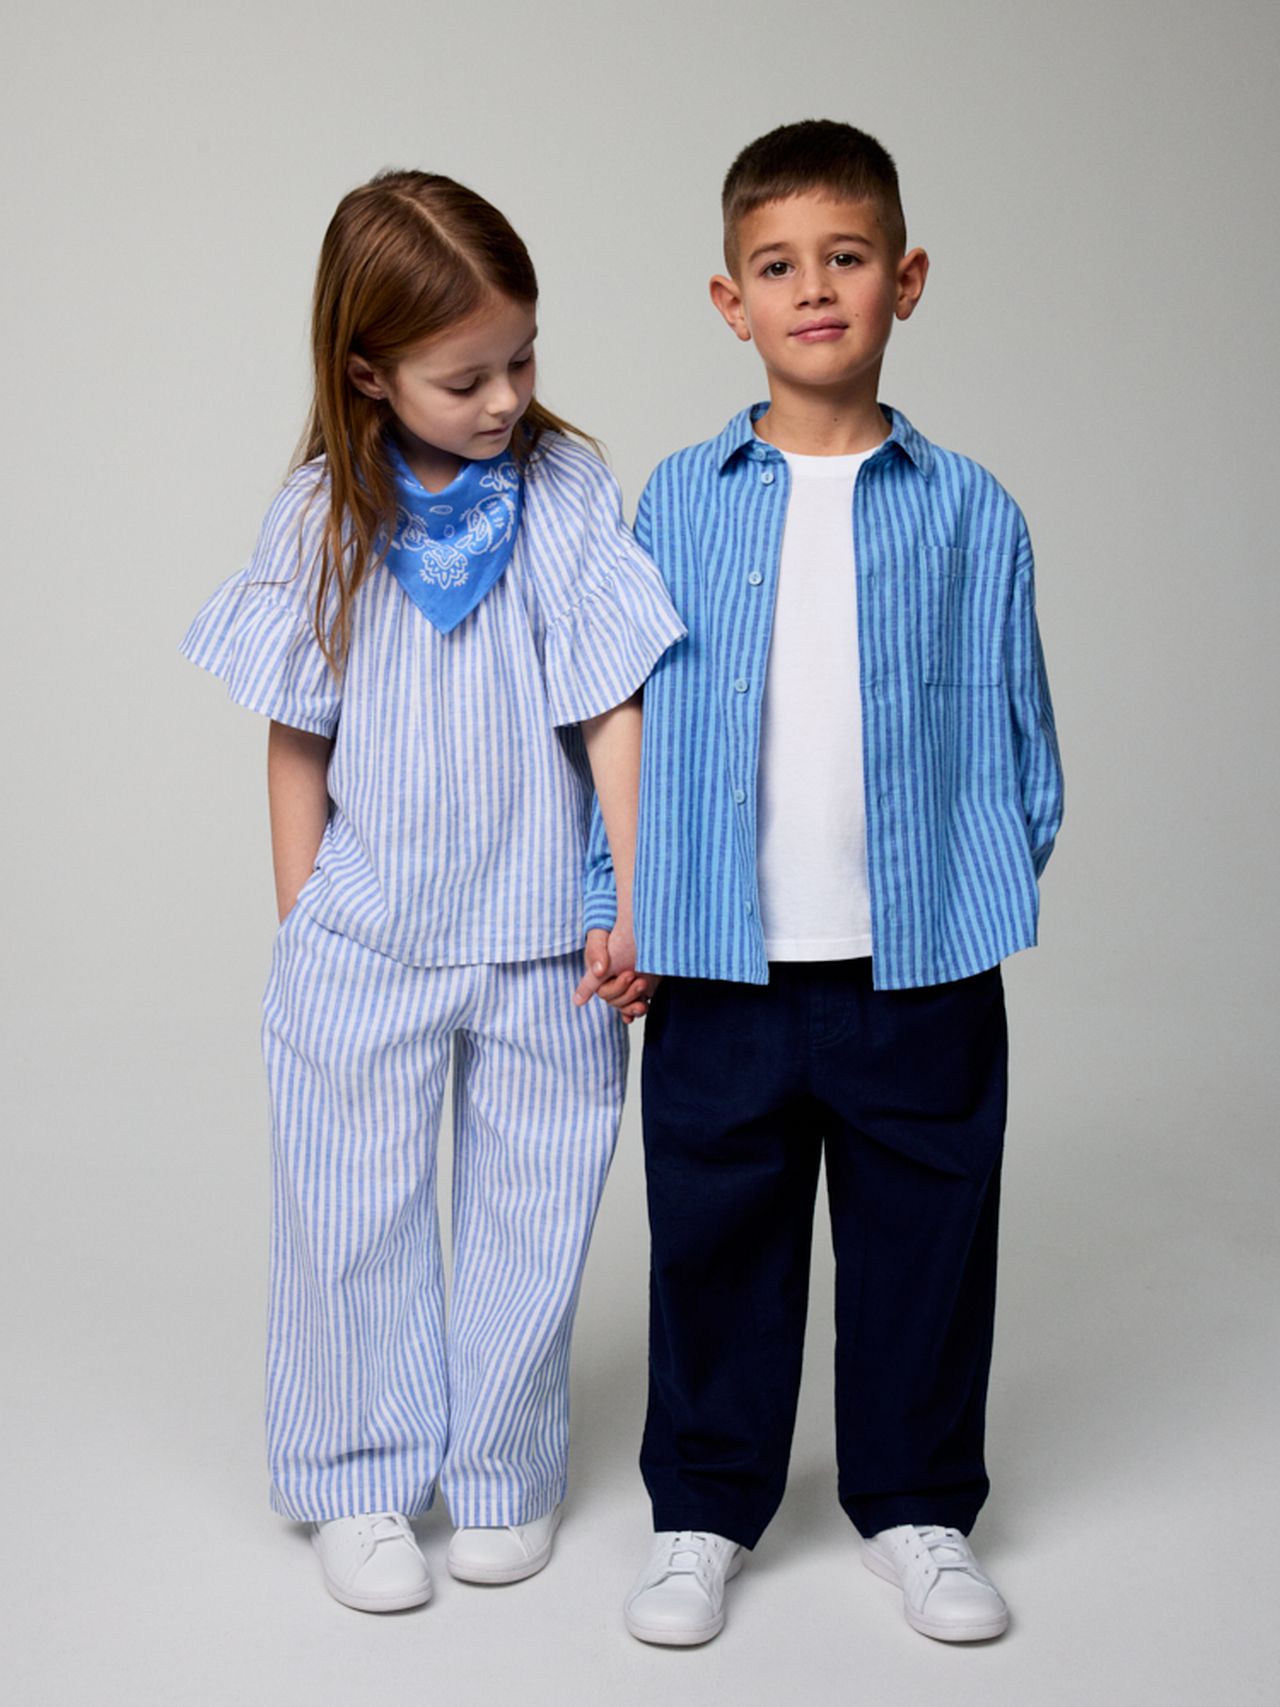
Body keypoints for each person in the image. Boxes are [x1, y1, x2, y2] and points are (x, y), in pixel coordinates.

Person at [576, 119, 1064, 1646]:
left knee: (928, 1236)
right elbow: (620, 717)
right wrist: (617, 898)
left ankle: (917, 1506)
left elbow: (1024, 742)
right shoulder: (679, 499)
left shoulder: (972, 509)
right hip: (721, 960)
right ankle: (705, 1510)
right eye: (778, 266)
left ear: (903, 281)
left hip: (918, 967)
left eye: (846, 258)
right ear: (733, 302)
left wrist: (977, 889)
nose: (815, 290)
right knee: (714, 1234)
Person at [181, 170, 684, 1614]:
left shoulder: (565, 495)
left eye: (521, 359)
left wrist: (634, 897)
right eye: (466, 379)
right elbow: (296, 727)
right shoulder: (321, 516)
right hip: (370, 939)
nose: (506, 398)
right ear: (368, 372)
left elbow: (612, 703)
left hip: (542, 942)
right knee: (352, 1218)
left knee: (538, 1211)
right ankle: (357, 1477)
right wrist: (304, 919)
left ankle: (504, 1469)